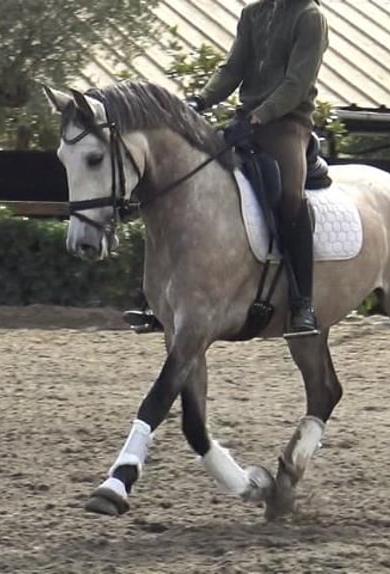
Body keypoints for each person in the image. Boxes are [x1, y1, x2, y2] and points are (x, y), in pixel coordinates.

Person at [124, 0, 329, 338]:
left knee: (290, 197)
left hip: (287, 125)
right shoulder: (253, 14)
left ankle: (302, 302)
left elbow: (296, 82)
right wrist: (198, 101)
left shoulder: (309, 17)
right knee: (188, 185)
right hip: (246, 120)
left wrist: (259, 117)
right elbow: (233, 69)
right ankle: (158, 298)